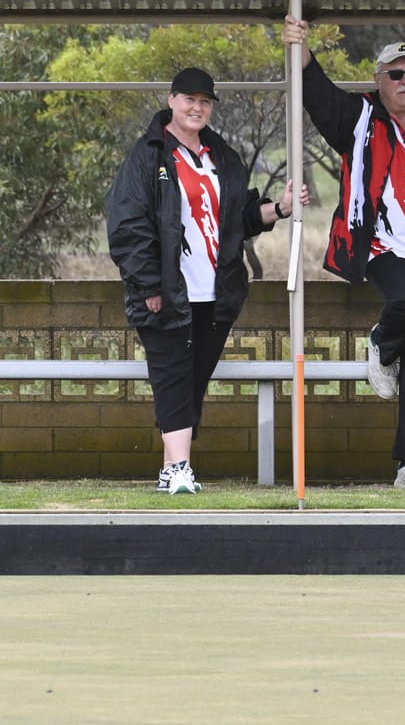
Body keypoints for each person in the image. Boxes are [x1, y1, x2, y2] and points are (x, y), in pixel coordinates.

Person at [281, 17, 405, 489]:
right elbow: (319, 96)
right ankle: (381, 342)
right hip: (384, 246)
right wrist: (301, 49)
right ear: (379, 81)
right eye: (396, 74)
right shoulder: (359, 120)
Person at [107, 67, 305, 495]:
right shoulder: (149, 155)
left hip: (215, 294)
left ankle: (169, 469)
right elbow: (127, 227)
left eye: (205, 101)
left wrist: (281, 208)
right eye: (189, 99)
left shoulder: (221, 156)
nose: (197, 107)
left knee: (192, 380)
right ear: (170, 101)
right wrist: (150, 287)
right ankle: (179, 468)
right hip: (165, 292)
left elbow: (240, 218)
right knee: (173, 375)